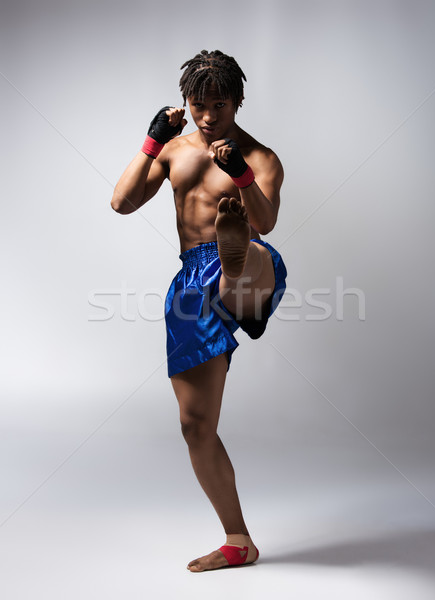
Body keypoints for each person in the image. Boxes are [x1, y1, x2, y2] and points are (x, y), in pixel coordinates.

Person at [111, 50, 287, 572]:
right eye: (199, 104)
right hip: (191, 281)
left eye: (220, 104)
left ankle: (237, 264)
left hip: (249, 260)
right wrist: (151, 143)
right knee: (195, 425)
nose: (209, 115)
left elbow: (269, 219)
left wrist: (241, 176)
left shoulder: (261, 156)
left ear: (238, 101)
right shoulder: (175, 152)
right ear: (187, 103)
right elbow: (122, 202)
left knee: (249, 252)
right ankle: (239, 542)